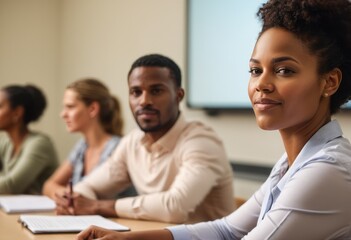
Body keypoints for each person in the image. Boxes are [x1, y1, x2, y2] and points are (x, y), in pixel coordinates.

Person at [76, 0, 351, 239]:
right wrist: (127, 239)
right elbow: (226, 230)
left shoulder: (327, 170)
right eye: (255, 70)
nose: (261, 84)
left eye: (284, 70)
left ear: (329, 82)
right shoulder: (291, 163)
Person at [55, 54, 235, 224]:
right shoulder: (132, 142)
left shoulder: (201, 142)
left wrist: (96, 206)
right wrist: (74, 202)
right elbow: (88, 187)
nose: (144, 101)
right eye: (136, 92)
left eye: (156, 91)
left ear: (178, 96)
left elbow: (174, 207)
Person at [43, 78, 127, 200]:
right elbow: (48, 186)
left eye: (70, 107)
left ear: (92, 109)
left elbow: (93, 199)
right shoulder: (82, 146)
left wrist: (68, 195)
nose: (63, 114)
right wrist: (68, 195)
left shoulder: (118, 148)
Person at [0, 84, 59, 194]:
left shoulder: (40, 144)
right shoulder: (6, 143)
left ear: (17, 113)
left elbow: (10, 186)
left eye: (0, 106)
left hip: (41, 211)